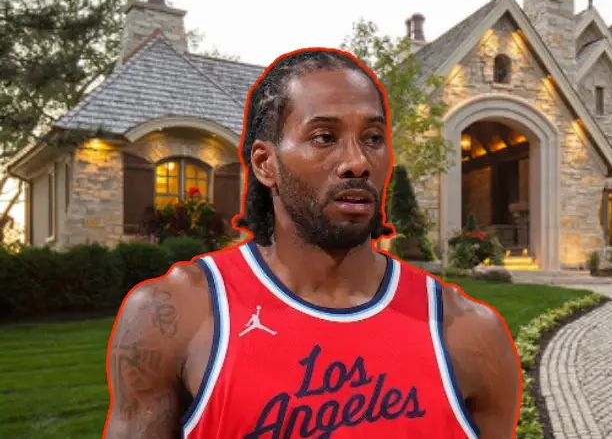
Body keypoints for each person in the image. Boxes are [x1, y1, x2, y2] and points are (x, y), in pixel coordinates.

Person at [103, 48, 522, 438]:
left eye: (373, 138)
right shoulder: (174, 315)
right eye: (324, 137)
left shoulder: (469, 332)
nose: (357, 161)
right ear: (266, 163)